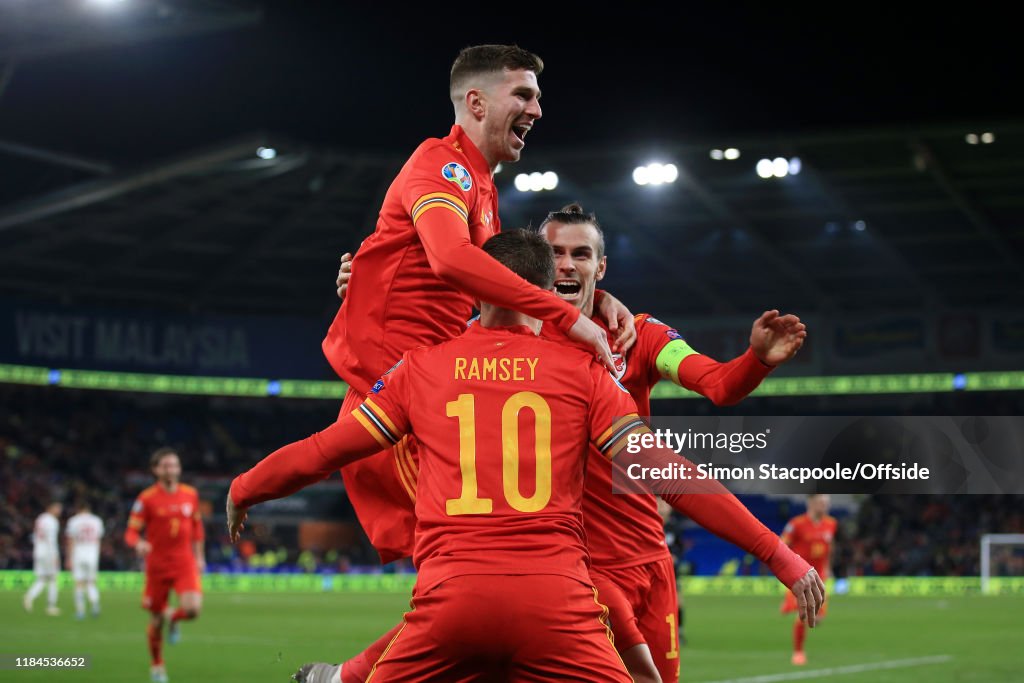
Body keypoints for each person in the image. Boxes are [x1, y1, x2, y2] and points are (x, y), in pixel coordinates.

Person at [229, 230, 824, 683]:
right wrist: (779, 555)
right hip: (559, 604)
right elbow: (668, 472)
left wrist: (246, 487)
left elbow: (323, 451)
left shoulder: (422, 369)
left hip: (450, 604)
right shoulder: (585, 372)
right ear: (542, 295)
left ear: (475, 288)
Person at [321, 43, 635, 571]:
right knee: (494, 562)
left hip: (432, 391)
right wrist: (568, 315)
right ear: (477, 102)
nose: (536, 110)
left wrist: (594, 297)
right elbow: (448, 259)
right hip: (395, 391)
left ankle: (361, 662)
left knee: (488, 570)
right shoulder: (442, 166)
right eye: (523, 95)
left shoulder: (482, 187)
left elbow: (478, 285)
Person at [124, 448, 206, 683]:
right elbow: (130, 532)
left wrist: (200, 557)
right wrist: (138, 543)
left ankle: (175, 618)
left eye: (174, 465)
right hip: (157, 566)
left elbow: (197, 529)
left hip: (184, 563)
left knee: (193, 610)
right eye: (166, 465)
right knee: (155, 620)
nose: (171, 469)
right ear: (156, 470)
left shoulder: (190, 494)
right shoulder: (146, 498)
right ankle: (157, 665)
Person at [780, 494, 837, 666]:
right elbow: (782, 545)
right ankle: (798, 653)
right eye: (821, 502)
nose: (825, 506)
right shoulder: (796, 524)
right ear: (811, 503)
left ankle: (788, 605)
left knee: (817, 619)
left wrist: (828, 568)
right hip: (800, 576)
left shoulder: (831, 523)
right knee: (803, 615)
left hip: (820, 578)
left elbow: (830, 547)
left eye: (827, 503)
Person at [65, 500, 105, 619]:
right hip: (92, 554)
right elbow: (98, 539)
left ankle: (80, 611)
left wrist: (68, 557)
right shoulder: (97, 520)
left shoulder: (74, 521)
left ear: (79, 509)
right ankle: (95, 605)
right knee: (91, 582)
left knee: (79, 583)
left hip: (78, 553)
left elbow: (70, 540)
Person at [23, 501, 62, 616]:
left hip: (38, 551)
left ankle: (29, 596)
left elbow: (34, 537)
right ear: (50, 507)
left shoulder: (40, 519)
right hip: (48, 553)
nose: (59, 511)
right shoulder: (52, 521)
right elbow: (51, 540)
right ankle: (51, 606)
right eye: (58, 508)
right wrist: (55, 555)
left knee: (42, 578)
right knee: (53, 579)